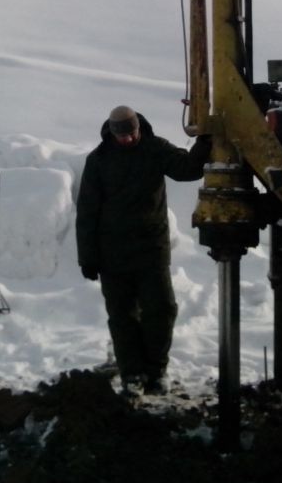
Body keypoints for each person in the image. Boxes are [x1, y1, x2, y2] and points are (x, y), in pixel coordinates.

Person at [75, 105, 211, 397]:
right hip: (113, 255)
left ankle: (155, 371)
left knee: (162, 310)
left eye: (131, 134)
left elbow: (187, 169)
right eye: (121, 136)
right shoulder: (98, 161)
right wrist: (87, 257)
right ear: (111, 133)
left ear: (138, 128)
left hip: (152, 250)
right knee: (123, 317)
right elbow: (86, 212)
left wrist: (204, 143)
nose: (127, 140)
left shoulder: (155, 149)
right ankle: (132, 375)